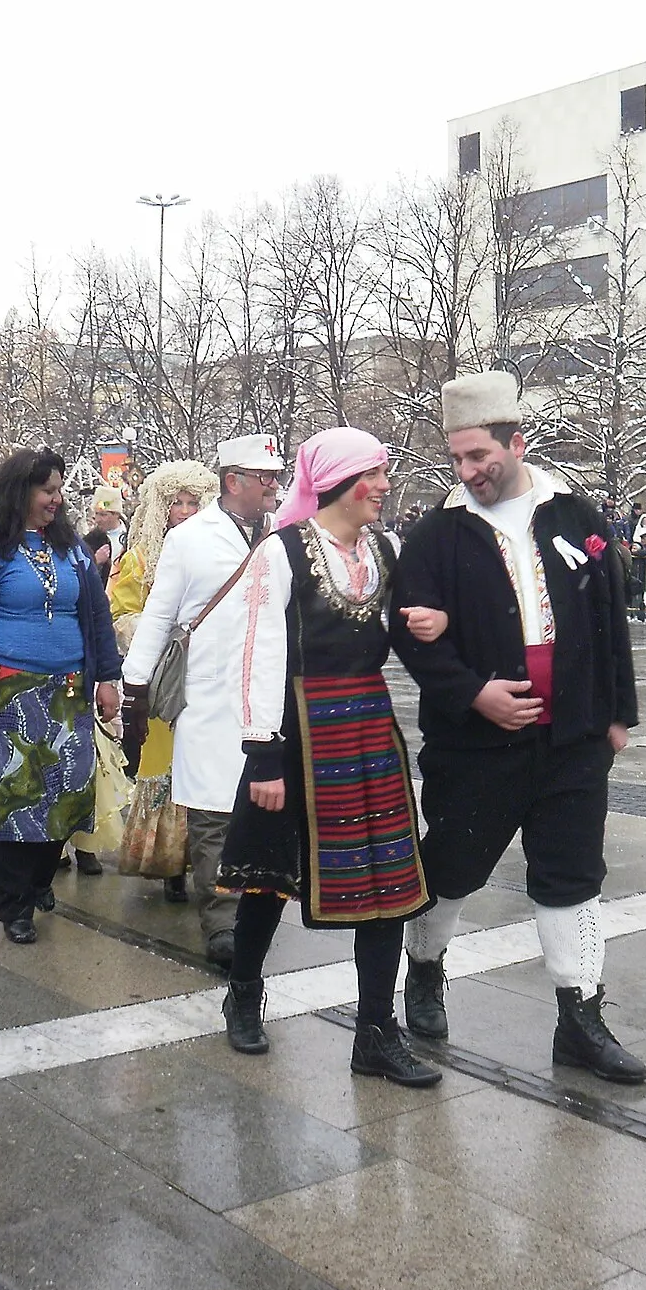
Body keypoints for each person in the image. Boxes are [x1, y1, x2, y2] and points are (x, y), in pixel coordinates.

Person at [391, 370, 646, 1084]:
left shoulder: (573, 516)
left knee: (572, 876)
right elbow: (412, 637)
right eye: (458, 460)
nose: (468, 472)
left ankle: (581, 1019)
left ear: (516, 442)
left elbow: (607, 616)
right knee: (452, 869)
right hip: (475, 746)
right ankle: (426, 967)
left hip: (572, 741)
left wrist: (618, 713)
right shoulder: (437, 534)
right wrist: (475, 694)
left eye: (480, 457)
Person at [214, 428, 441, 1086]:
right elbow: (256, 653)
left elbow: (405, 636)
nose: (385, 486)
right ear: (342, 480)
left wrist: (432, 628)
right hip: (295, 731)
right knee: (268, 874)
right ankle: (245, 991)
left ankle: (376, 1032)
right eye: (375, 475)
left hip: (368, 731)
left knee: (389, 884)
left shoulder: (386, 550)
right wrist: (263, 756)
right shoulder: (281, 552)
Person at [0, 448, 122, 944]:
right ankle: (14, 905)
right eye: (48, 491)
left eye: (60, 491)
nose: (57, 501)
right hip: (4, 696)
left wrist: (107, 677)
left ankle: (39, 880)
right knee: (12, 799)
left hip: (68, 693)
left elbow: (97, 616)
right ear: (21, 492)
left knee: (67, 795)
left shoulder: (73, 549)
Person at [121, 434, 283, 966]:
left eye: (276, 479)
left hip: (266, 698)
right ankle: (221, 922)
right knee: (213, 811)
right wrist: (135, 688)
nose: (273, 487)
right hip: (209, 698)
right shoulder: (190, 538)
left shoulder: (282, 536)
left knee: (257, 809)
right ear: (234, 481)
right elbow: (160, 617)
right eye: (264, 479)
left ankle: (255, 906)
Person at [103, 459, 217, 882]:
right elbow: (120, 611)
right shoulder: (139, 558)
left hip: (211, 672)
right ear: (161, 507)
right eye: (177, 503)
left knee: (206, 762)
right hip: (164, 677)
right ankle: (169, 860)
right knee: (164, 761)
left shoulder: (220, 552)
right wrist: (154, 634)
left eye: (193, 502)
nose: (185, 511)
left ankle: (206, 858)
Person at [82, 484, 126, 586]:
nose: (97, 520)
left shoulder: (133, 535)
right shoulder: (90, 541)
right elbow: (80, 576)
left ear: (116, 514)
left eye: (103, 515)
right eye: (96, 514)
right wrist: (95, 561)